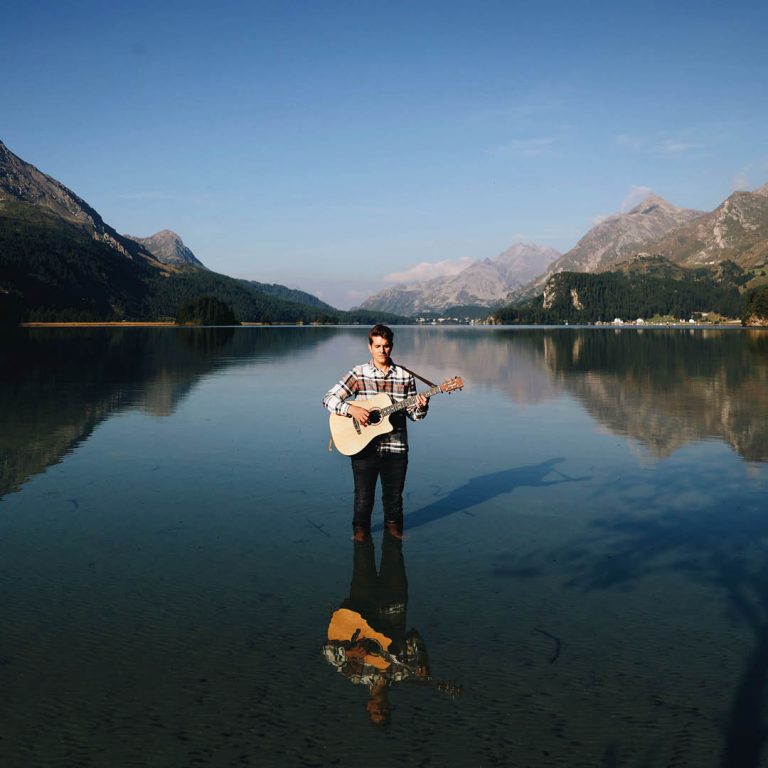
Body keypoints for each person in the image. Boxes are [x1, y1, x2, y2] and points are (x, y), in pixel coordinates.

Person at [323, 324, 428, 541]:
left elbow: (414, 416)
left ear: (392, 347)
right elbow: (329, 398)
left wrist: (422, 405)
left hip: (396, 447)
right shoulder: (358, 373)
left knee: (394, 500)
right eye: (377, 346)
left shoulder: (405, 376)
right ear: (370, 346)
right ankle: (360, 541)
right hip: (363, 447)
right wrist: (351, 409)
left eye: (386, 346)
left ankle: (394, 539)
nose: (382, 351)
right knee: (363, 500)